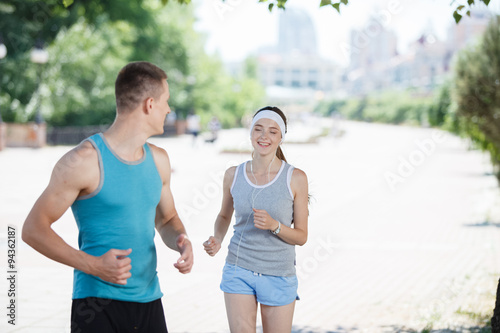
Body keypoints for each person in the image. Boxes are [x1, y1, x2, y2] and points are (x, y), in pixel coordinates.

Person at [22, 61, 193, 333]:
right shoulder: (83, 161)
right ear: (150, 104)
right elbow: (33, 230)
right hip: (95, 305)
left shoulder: (159, 160)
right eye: (166, 101)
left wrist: (181, 241)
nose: (169, 109)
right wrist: (94, 265)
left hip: (150, 302)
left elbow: (167, 219)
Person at [203, 106, 309, 333]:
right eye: (258, 129)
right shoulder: (233, 174)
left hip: (278, 273)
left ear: (281, 137)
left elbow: (301, 236)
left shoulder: (296, 178)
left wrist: (275, 226)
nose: (264, 136)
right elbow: (224, 215)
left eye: (272, 131)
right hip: (238, 269)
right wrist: (217, 239)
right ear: (250, 133)